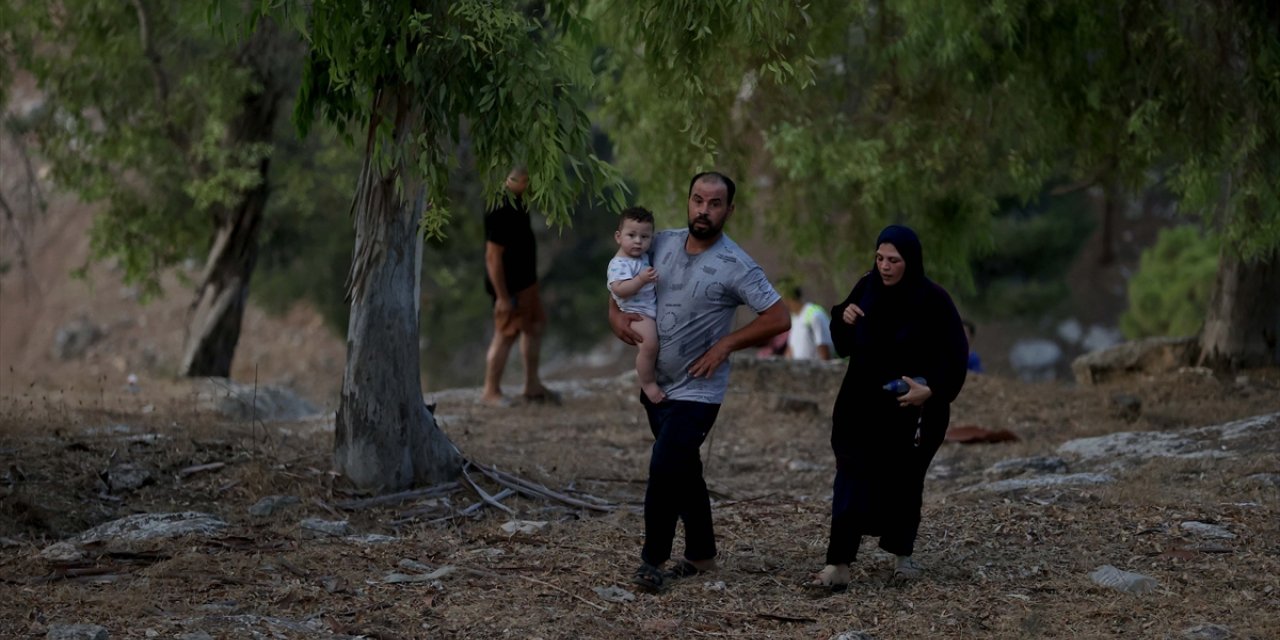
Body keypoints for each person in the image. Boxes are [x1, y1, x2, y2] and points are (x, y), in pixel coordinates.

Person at [609, 171, 789, 592]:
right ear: (688, 201)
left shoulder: (737, 264)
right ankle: (702, 555)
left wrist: (727, 344)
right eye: (697, 200)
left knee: (665, 468)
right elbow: (621, 276)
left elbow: (779, 318)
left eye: (714, 204)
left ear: (729, 209)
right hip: (658, 384)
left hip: (698, 390)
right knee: (685, 472)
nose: (703, 210)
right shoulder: (661, 242)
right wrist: (615, 315)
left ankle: (652, 561)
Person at [812, 224, 968, 591]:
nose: (885, 266)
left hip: (910, 410)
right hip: (860, 407)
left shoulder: (933, 300)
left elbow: (954, 357)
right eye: (880, 258)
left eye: (894, 260)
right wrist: (843, 319)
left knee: (904, 482)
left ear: (909, 261)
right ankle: (838, 563)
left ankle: (902, 556)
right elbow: (843, 343)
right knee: (850, 478)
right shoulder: (867, 287)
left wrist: (929, 390)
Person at [481, 167, 555, 405]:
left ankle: (532, 384)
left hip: (527, 283)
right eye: (524, 179)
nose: (529, 183)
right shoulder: (499, 207)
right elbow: (492, 257)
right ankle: (490, 391)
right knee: (505, 334)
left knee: (535, 325)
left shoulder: (519, 201)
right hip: (510, 287)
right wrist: (502, 297)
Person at [607, 206, 665, 403]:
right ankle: (648, 384)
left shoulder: (641, 257)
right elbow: (619, 289)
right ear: (618, 236)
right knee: (649, 345)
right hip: (636, 313)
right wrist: (640, 279)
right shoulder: (619, 263)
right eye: (631, 235)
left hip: (648, 309)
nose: (638, 241)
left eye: (645, 237)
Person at [780, 279, 834, 360]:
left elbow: (824, 349)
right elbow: (791, 349)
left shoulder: (815, 315)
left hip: (815, 371)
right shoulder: (793, 317)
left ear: (788, 298)